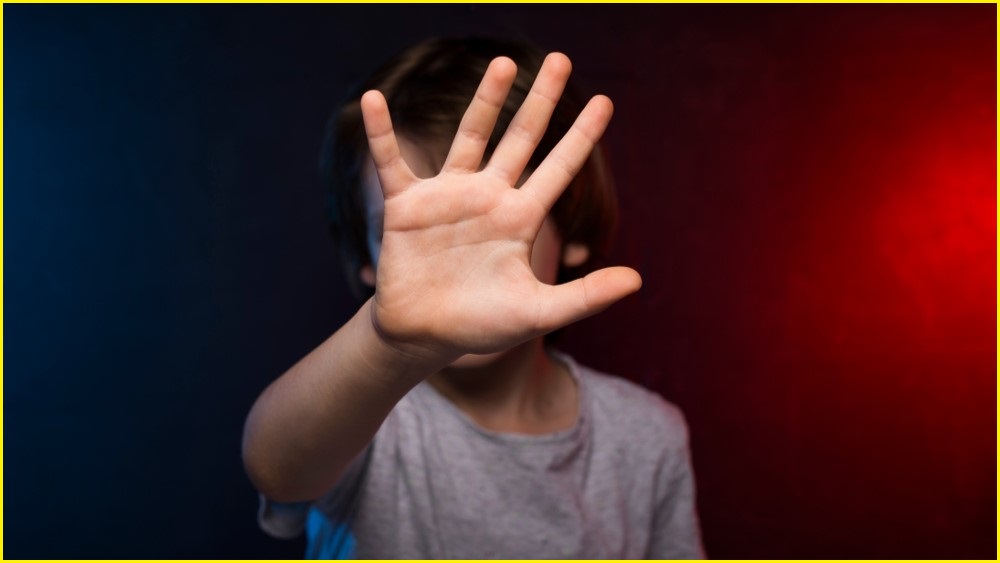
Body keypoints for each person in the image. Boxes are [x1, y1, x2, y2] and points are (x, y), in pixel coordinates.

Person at [242, 37, 705, 559]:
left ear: (572, 226)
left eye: (487, 228)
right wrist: (388, 343)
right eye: (409, 233)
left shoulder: (645, 438)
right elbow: (276, 468)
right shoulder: (363, 416)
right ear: (368, 258)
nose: (456, 269)